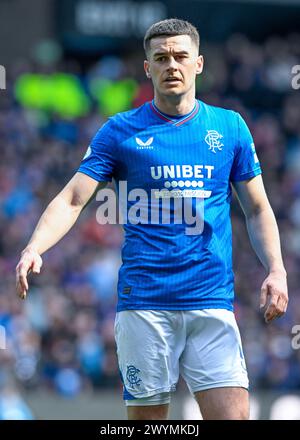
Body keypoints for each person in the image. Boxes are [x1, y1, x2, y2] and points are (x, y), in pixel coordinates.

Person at [16, 18, 288, 420]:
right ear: (148, 68)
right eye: (161, 58)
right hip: (144, 305)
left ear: (198, 63)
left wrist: (276, 269)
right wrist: (34, 247)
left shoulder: (229, 128)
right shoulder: (120, 131)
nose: (171, 65)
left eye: (180, 56)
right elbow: (73, 199)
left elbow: (258, 208)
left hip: (210, 301)